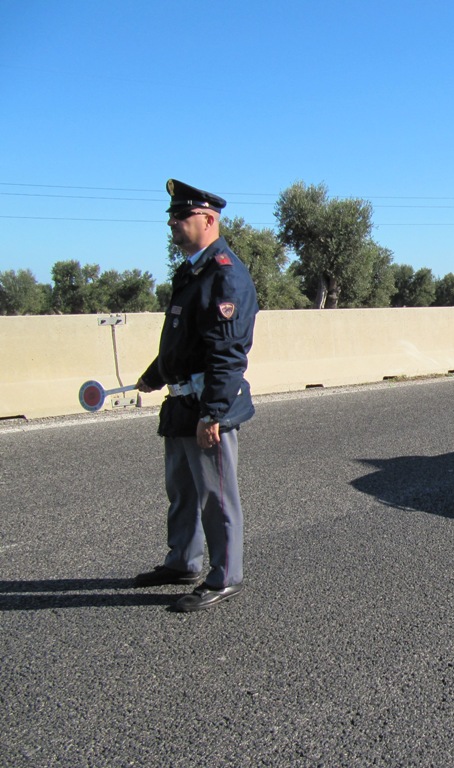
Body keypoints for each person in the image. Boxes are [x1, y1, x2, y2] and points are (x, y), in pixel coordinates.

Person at [133, 179, 258, 613]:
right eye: (171, 216)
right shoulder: (192, 271)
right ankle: (183, 562)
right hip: (181, 402)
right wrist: (153, 376)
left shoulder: (224, 274)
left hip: (207, 405)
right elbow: (182, 339)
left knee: (215, 496)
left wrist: (214, 414)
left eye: (181, 216)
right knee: (183, 489)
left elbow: (227, 353)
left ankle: (225, 576)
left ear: (208, 219)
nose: (173, 222)